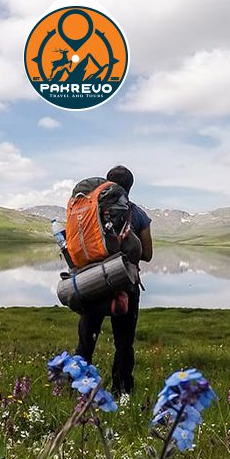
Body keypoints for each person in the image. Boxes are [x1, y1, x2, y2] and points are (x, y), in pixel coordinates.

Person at [75, 165, 153, 395]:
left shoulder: (89, 210)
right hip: (124, 284)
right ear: (130, 187)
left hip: (93, 282)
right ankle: (121, 391)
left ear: (106, 183)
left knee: (86, 340)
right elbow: (147, 254)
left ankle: (79, 389)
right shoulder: (137, 214)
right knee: (124, 342)